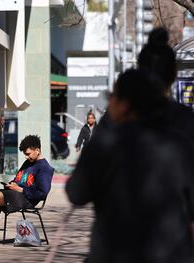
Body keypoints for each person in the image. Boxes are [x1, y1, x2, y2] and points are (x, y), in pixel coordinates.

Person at [66, 69, 194, 263]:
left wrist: (106, 125)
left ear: (125, 105)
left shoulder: (106, 144)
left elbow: (76, 193)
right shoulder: (179, 145)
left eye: (112, 97)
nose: (110, 103)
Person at [0, 135, 53, 217]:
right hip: (13, 195)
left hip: (25, 199)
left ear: (37, 150)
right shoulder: (28, 163)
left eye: (28, 154)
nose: (26, 157)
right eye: (25, 154)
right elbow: (18, 179)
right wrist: (11, 185)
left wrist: (20, 189)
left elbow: (42, 193)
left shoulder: (45, 168)